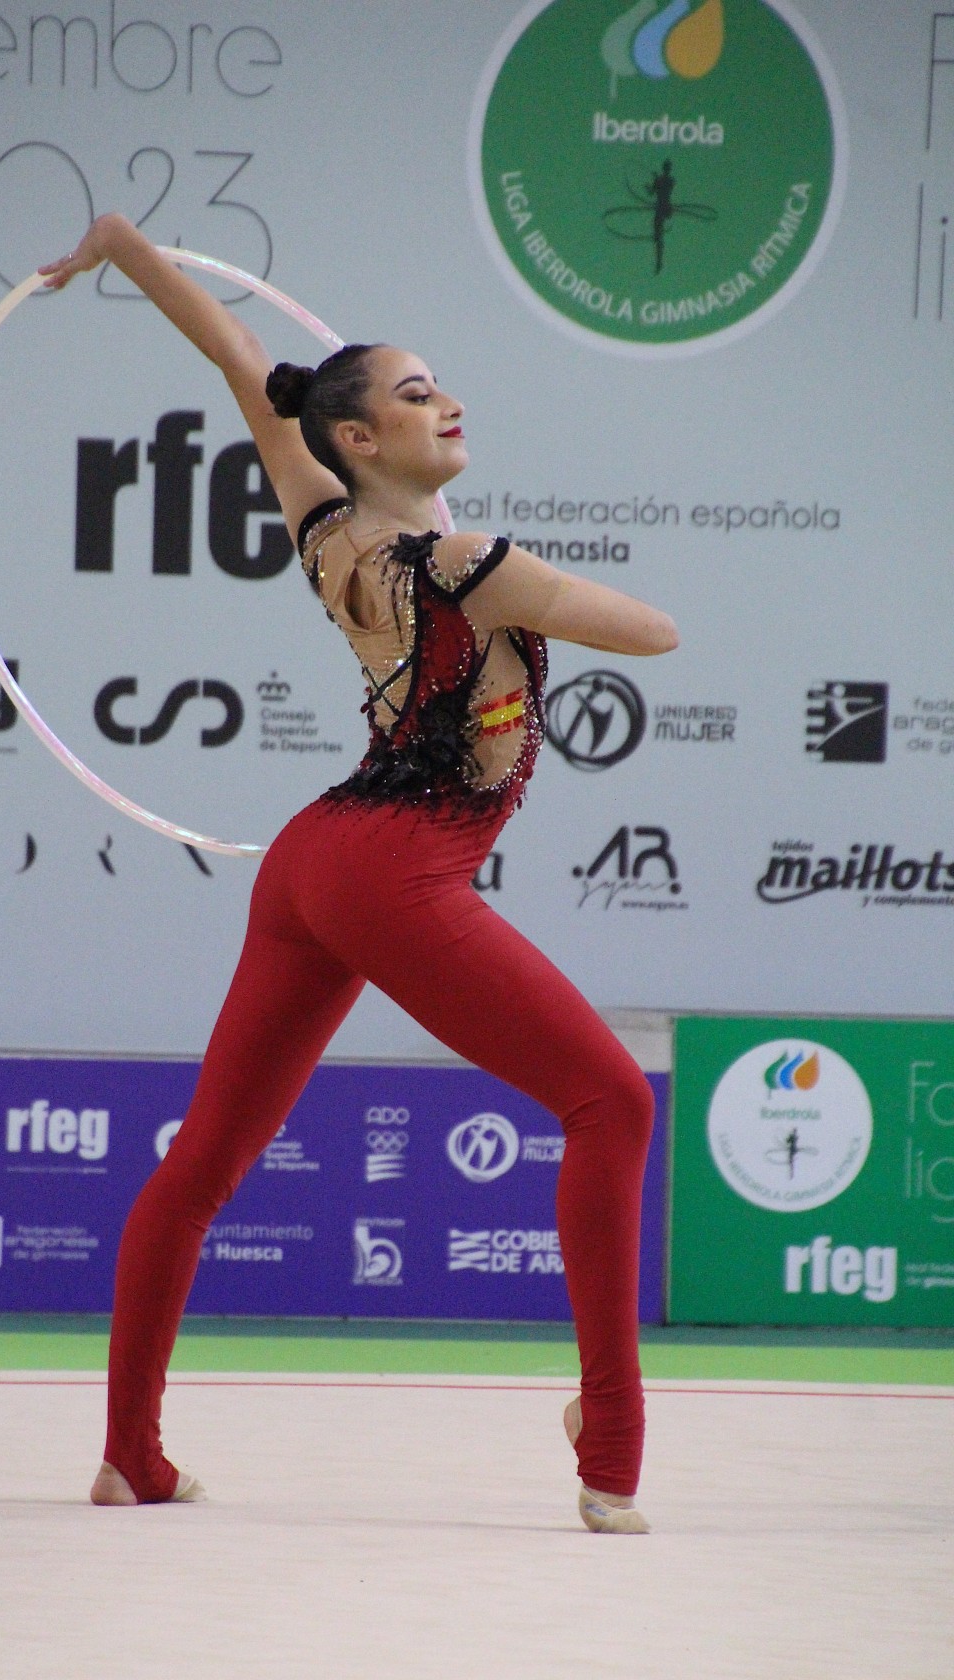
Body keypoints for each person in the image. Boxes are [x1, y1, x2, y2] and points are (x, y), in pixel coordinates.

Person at [39, 214, 679, 1534]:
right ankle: (609, 1445)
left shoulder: (329, 535)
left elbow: (242, 361)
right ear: (359, 439)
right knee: (611, 1101)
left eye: (441, 385)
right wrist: (529, 583)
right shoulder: (463, 565)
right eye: (415, 393)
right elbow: (656, 634)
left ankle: (129, 1457)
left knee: (207, 1161)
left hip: (315, 863)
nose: (447, 401)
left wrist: (123, 247)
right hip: (394, 868)